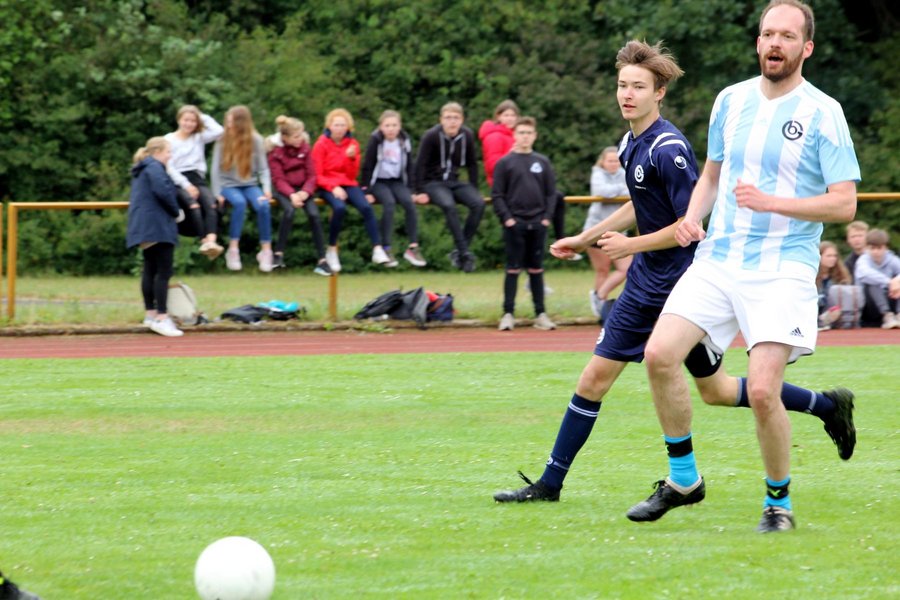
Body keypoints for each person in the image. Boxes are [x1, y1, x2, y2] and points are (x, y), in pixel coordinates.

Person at [492, 38, 855, 519]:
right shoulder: (630, 143)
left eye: (638, 87)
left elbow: (689, 226)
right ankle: (550, 483)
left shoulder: (671, 150)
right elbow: (639, 203)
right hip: (645, 282)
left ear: (659, 92)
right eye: (622, 85)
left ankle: (821, 410)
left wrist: (630, 246)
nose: (627, 94)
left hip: (680, 283)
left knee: (717, 391)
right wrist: (587, 238)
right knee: (599, 378)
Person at [637, 0, 860, 533]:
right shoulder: (730, 100)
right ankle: (684, 480)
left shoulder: (823, 112)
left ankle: (777, 504)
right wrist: (692, 217)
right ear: (758, 42)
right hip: (720, 259)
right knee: (659, 356)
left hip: (783, 267)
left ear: (806, 47)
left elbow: (844, 204)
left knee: (762, 390)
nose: (775, 43)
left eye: (787, 36)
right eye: (768, 34)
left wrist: (772, 202)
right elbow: (713, 175)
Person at [492, 116, 557, 332]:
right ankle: (507, 314)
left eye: (529, 133)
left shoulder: (542, 162)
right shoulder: (505, 163)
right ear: (514, 135)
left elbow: (551, 194)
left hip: (538, 223)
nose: (525, 136)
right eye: (521, 133)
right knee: (513, 269)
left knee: (536, 269)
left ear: (535, 136)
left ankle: (541, 314)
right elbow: (497, 194)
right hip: (514, 223)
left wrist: (546, 218)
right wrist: (508, 219)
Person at [312, 108, 391, 273]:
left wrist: (351, 158)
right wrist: (333, 187)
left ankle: (377, 248)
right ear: (329, 126)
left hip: (348, 183)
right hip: (327, 184)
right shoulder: (321, 144)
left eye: (343, 125)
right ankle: (332, 249)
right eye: (336, 125)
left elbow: (352, 174)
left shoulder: (352, 144)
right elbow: (318, 175)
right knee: (339, 208)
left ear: (348, 127)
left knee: (366, 207)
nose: (340, 128)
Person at [413, 102, 484, 273]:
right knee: (448, 205)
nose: (452, 121)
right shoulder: (431, 136)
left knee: (479, 204)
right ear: (441, 120)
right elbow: (419, 164)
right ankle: (465, 253)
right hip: (433, 182)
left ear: (462, 120)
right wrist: (418, 191)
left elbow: (472, 164)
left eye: (456, 118)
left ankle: (459, 251)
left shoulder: (467, 135)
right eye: (448, 118)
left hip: (454, 180)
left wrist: (474, 187)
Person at [126, 137, 184, 337]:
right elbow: (164, 192)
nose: (170, 156)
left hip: (145, 225)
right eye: (168, 152)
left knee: (150, 269)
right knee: (163, 271)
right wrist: (176, 212)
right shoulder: (155, 167)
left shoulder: (143, 168)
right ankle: (161, 317)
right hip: (157, 225)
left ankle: (150, 314)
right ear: (157, 152)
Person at [211, 105, 274, 272]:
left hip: (250, 184)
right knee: (239, 203)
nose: (228, 125)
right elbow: (215, 169)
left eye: (232, 122)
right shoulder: (222, 140)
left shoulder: (256, 140)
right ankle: (233, 249)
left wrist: (267, 189)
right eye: (227, 121)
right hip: (228, 185)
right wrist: (216, 193)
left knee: (263, 205)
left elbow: (263, 169)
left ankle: (266, 250)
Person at [266, 115, 331, 275]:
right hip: (283, 190)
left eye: (301, 135)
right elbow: (278, 179)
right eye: (296, 136)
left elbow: (312, 175)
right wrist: (292, 195)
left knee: (314, 215)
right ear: (285, 137)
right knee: (289, 211)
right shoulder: (275, 153)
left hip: (303, 189)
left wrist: (305, 192)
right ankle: (278, 254)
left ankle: (322, 260)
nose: (299, 139)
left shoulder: (305, 148)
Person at [360, 110, 426, 268]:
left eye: (394, 125)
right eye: (387, 125)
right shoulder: (376, 140)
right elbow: (367, 166)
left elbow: (410, 166)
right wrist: (366, 191)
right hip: (378, 182)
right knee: (389, 203)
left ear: (399, 126)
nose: (391, 129)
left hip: (396, 181)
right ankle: (386, 248)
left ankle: (413, 247)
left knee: (409, 203)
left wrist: (412, 190)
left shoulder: (404, 140)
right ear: (381, 127)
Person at [164, 105, 224, 260]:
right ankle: (203, 240)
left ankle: (211, 242)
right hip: (178, 179)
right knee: (194, 206)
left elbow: (219, 131)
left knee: (212, 204)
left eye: (193, 121)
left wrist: (200, 115)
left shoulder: (198, 137)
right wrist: (186, 185)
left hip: (197, 177)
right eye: (186, 120)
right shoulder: (169, 139)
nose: (189, 124)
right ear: (179, 120)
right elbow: (169, 167)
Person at [586, 146, 633, 318]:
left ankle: (599, 295)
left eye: (616, 161)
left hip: (618, 230)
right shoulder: (597, 173)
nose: (613, 164)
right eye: (610, 161)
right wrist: (620, 190)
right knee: (603, 269)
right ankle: (600, 306)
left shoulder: (624, 173)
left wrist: (615, 190)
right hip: (596, 228)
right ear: (603, 162)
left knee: (626, 268)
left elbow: (632, 189)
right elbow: (602, 191)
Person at [854, 228, 900, 328]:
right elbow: (865, 273)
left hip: (890, 297)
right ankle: (887, 315)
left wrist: (897, 281)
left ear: (886, 247)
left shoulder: (892, 259)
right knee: (873, 283)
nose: (875, 252)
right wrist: (890, 282)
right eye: (872, 248)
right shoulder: (863, 260)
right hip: (868, 304)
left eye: (879, 248)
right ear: (867, 248)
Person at [815, 241, 850, 330]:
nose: (833, 259)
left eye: (835, 256)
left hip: (834, 310)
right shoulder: (812, 275)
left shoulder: (841, 275)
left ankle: (823, 321)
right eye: (829, 256)